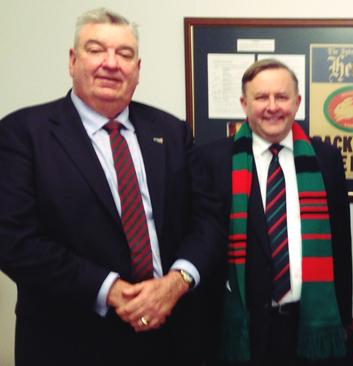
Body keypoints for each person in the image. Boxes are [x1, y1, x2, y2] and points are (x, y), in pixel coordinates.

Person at [0, 8, 204, 366]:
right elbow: (13, 240)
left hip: (169, 334)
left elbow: (207, 221)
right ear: (72, 59)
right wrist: (109, 289)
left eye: (124, 54)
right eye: (96, 50)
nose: (111, 63)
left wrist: (176, 281)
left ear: (137, 69)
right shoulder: (22, 133)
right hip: (68, 340)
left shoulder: (172, 132)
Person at [189, 58, 352, 365]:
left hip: (311, 323)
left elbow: (341, 246)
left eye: (282, 96)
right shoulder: (211, 160)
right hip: (243, 328)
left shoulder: (326, 159)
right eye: (261, 97)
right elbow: (203, 242)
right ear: (244, 103)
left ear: (298, 102)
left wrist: (344, 320)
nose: (272, 106)